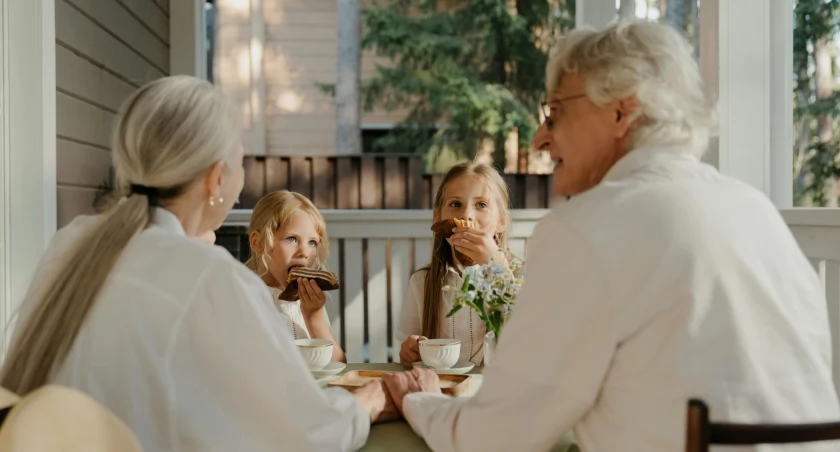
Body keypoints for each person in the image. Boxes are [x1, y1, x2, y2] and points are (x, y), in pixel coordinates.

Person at [381, 21, 840, 451]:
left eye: (555, 112)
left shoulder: (585, 227)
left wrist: (417, 399)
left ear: (622, 111)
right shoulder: (754, 210)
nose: (542, 137)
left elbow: (494, 438)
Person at [1, 76, 394, 451]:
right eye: (240, 162)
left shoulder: (71, 243)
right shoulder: (210, 276)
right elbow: (308, 436)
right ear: (215, 180)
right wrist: (370, 401)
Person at [395, 162, 515, 366]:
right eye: (455, 204)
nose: (466, 215)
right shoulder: (422, 283)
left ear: (501, 221)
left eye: (481, 205)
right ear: (438, 217)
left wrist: (496, 264)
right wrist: (410, 351)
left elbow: (534, 340)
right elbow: (407, 355)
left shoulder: (521, 279)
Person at [245, 190, 346, 363]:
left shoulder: (309, 302)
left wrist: (314, 318)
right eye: (292, 239)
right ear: (258, 243)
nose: (304, 252)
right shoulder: (244, 296)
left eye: (312, 242)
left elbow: (338, 366)